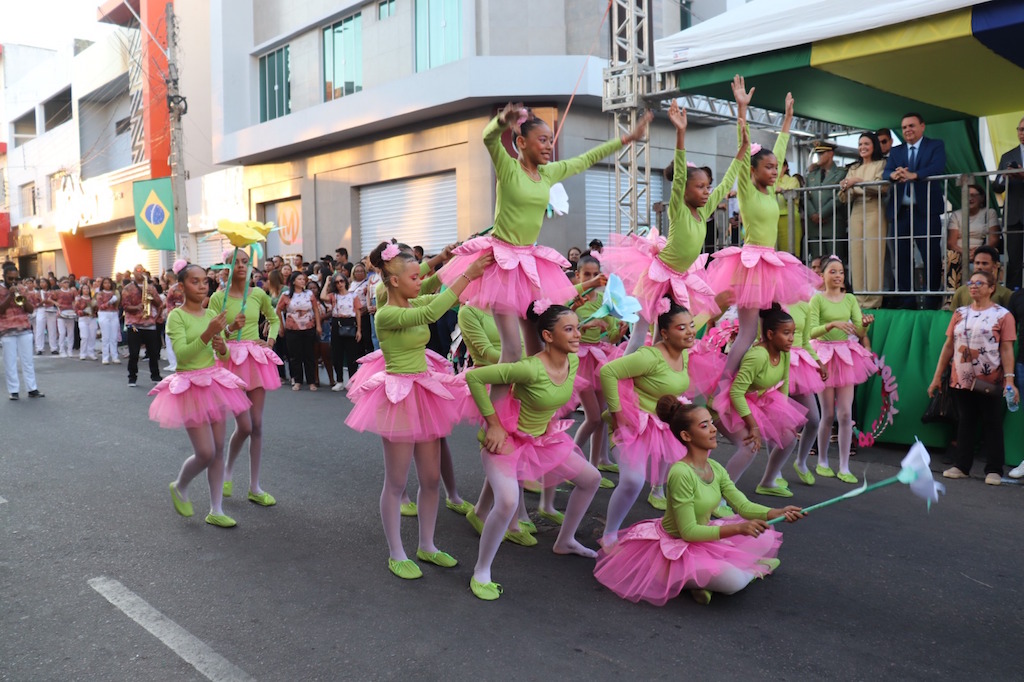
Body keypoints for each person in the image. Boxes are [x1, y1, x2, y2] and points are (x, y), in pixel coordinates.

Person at [438, 102, 651, 373]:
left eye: (551, 140)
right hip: (501, 263)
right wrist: (502, 120)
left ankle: (531, 407)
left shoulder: (548, 173)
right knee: (512, 351)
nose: (549, 145)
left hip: (529, 263)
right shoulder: (508, 168)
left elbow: (585, 159)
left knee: (536, 346)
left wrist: (626, 139)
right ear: (521, 142)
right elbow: (488, 137)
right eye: (542, 140)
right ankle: (496, 412)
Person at [345, 241, 490, 581]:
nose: (420, 281)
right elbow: (431, 312)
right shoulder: (387, 313)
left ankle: (428, 545)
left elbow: (442, 297)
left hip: (423, 390)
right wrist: (466, 273)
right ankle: (397, 552)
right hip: (398, 394)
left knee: (429, 479)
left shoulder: (412, 299)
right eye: (413, 276)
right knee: (396, 482)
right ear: (394, 281)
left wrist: (464, 262)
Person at [594, 400, 803, 606]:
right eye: (704, 426)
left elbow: (743, 506)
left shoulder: (715, 467)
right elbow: (688, 533)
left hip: (704, 537)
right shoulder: (680, 473)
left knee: (765, 532)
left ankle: (704, 581)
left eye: (712, 423)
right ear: (686, 436)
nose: (713, 430)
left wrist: (777, 511)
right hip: (675, 549)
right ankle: (754, 570)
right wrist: (739, 528)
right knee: (734, 581)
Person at [464, 301, 602, 600]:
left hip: (542, 441)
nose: (578, 335)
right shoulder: (529, 368)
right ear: (548, 336)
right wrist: (494, 425)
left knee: (591, 479)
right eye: (570, 329)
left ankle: (565, 541)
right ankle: (481, 569)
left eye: (578, 327)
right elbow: (474, 378)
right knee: (508, 502)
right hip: (508, 442)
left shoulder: (573, 361)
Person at [599, 99, 744, 355]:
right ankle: (623, 374)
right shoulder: (678, 210)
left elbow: (725, 184)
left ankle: (657, 376)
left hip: (680, 278)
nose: (706, 191)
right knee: (641, 330)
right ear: (684, 189)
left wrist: (741, 153)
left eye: (707, 187)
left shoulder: (704, 211)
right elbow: (679, 176)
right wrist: (680, 132)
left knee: (665, 332)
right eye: (700, 187)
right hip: (658, 276)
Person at [706, 76, 821, 380]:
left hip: (771, 263)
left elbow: (780, 151)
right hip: (751, 263)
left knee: (767, 328)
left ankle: (760, 378)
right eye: (768, 168)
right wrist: (741, 112)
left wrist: (787, 120)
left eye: (776, 168)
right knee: (746, 332)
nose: (774, 172)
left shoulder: (771, 191)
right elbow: (743, 147)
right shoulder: (746, 188)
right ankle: (725, 384)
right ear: (753, 170)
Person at [155, 262, 251, 528]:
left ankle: (216, 509)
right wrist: (210, 334)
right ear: (181, 285)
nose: (201, 286)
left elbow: (222, 355)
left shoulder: (211, 313)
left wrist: (222, 344)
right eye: (194, 281)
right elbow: (183, 356)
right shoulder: (177, 316)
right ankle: (180, 485)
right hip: (189, 386)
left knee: (218, 449)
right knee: (206, 452)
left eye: (204, 282)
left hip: (213, 382)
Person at [599, 300, 694, 544]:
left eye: (691, 325)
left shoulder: (684, 353)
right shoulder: (649, 356)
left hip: (663, 426)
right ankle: (609, 535)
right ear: (664, 333)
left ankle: (682, 531)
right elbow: (608, 372)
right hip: (635, 425)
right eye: (681, 328)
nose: (690, 331)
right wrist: (619, 415)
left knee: (689, 476)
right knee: (632, 480)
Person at [209, 249, 284, 508]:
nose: (241, 266)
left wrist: (270, 341)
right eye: (235, 262)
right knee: (245, 426)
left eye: (245, 262)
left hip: (255, 358)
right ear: (226, 267)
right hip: (229, 359)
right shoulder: (218, 298)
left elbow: (273, 319)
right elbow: (212, 337)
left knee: (258, 425)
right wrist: (231, 328)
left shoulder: (259, 294)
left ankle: (255, 486)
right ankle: (229, 470)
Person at [929, 270, 1016, 485]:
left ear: (991, 288)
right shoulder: (959, 313)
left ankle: (994, 469)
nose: (974, 286)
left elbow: (1006, 349)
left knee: (992, 421)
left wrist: (1009, 379)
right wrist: (937, 376)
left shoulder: (1003, 315)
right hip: (962, 376)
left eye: (980, 283)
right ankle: (961, 465)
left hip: (991, 378)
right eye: (971, 282)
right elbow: (948, 346)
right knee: (965, 420)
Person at [712, 304, 808, 497]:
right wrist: (754, 427)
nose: (791, 338)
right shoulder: (757, 356)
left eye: (793, 333)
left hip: (756, 400)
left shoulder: (784, 352)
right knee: (749, 446)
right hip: (729, 404)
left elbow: (784, 384)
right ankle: (719, 497)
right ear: (770, 334)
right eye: (786, 333)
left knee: (789, 438)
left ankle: (768, 482)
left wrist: (783, 419)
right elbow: (736, 393)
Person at [810, 257, 876, 483]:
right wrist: (831, 325)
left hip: (846, 356)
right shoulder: (817, 300)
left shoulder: (849, 299)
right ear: (823, 276)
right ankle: (822, 461)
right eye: (833, 271)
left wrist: (865, 324)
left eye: (841, 272)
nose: (838, 275)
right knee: (827, 414)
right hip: (824, 356)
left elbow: (858, 331)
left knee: (846, 413)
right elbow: (810, 332)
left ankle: (845, 466)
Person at [883, 113, 947, 308]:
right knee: (901, 257)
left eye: (911, 126)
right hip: (901, 212)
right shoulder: (896, 151)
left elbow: (938, 167)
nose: (907, 130)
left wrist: (914, 175)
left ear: (922, 126)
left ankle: (932, 300)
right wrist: (894, 174)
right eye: (904, 127)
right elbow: (886, 172)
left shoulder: (935, 145)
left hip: (925, 210)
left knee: (931, 256)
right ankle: (906, 300)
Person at [839, 131, 888, 310]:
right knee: (856, 255)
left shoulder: (881, 163)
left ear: (874, 145)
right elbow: (844, 196)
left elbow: (881, 187)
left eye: (866, 144)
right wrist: (848, 186)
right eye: (860, 145)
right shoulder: (853, 168)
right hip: (857, 210)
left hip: (874, 209)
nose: (862, 148)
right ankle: (859, 300)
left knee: (873, 255)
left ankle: (874, 301)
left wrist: (857, 182)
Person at [785, 296, 828, 486]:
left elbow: (804, 342)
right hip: (776, 364)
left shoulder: (803, 305)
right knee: (781, 424)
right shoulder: (770, 304)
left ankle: (801, 461)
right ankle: (774, 470)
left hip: (800, 366)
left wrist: (818, 362)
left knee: (814, 419)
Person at [1, 265, 44, 400]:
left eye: (16, 278)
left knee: (28, 361)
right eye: (10, 278)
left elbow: (30, 309)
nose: (13, 281)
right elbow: (0, 310)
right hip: (7, 330)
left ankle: (32, 389)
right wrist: (10, 295)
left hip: (24, 328)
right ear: (4, 277)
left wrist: (22, 298)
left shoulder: (22, 288)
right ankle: (14, 391)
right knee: (10, 361)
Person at [946, 185, 1000, 292]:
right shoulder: (956, 215)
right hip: (960, 251)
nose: (970, 198)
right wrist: (966, 253)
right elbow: (951, 243)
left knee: (992, 254)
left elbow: (994, 239)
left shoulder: (989, 213)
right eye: (966, 195)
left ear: (982, 198)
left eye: (973, 195)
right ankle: (951, 297)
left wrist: (978, 253)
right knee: (951, 256)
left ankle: (991, 293)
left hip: (983, 250)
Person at [991, 117, 1024, 290]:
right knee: (1014, 262)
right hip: (1013, 217)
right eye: (1020, 129)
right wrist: (1004, 176)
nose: (1022, 133)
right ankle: (1015, 299)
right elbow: (996, 187)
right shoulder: (1008, 156)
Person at [276, 272, 322, 391]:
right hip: (292, 328)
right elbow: (278, 310)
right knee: (295, 356)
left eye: (303, 279)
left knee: (309, 355)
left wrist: (318, 325)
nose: (302, 281)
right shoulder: (286, 295)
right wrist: (282, 326)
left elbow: (316, 309)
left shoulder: (309, 294)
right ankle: (297, 380)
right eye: (299, 279)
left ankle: (311, 381)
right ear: (293, 281)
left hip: (308, 327)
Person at [804, 141, 848, 261]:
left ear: (831, 154)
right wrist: (813, 214)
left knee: (835, 262)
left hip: (832, 224)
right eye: (818, 154)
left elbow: (840, 195)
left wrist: (822, 214)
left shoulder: (841, 173)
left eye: (822, 153)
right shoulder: (812, 174)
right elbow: (805, 195)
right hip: (814, 227)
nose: (819, 156)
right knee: (817, 263)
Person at [122, 266, 164, 387]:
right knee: (134, 353)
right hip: (134, 324)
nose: (140, 274)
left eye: (142, 272)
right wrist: (137, 307)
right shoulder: (127, 288)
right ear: (133, 273)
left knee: (153, 353)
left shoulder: (150, 287)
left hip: (149, 324)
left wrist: (155, 317)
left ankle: (155, 375)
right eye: (137, 271)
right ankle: (132, 377)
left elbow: (159, 304)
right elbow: (125, 306)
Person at [321, 273, 362, 391]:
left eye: (341, 281)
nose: (340, 284)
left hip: (350, 322)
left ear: (345, 282)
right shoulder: (334, 296)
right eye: (337, 282)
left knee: (352, 354)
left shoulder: (353, 295)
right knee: (337, 354)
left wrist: (359, 330)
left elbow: (358, 312)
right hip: (337, 322)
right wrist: (327, 281)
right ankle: (339, 380)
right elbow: (323, 296)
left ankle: (352, 380)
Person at [948, 246, 1011, 310]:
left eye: (984, 263)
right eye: (977, 263)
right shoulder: (961, 292)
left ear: (995, 266)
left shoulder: (1005, 294)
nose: (979, 267)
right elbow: (953, 317)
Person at [776, 159, 803, 257]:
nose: (775, 169)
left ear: (785, 167)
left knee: (789, 254)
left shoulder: (792, 180)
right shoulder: (770, 181)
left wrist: (781, 191)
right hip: (773, 219)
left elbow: (791, 196)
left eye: (778, 166)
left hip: (789, 218)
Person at [95, 278, 120, 365]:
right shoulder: (100, 294)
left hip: (113, 314)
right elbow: (100, 306)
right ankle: (105, 357)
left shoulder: (115, 293)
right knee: (106, 336)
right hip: (104, 314)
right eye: (105, 283)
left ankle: (115, 356)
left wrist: (116, 301)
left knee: (114, 336)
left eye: (109, 283)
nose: (107, 285)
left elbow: (118, 304)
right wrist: (110, 302)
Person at [74, 281, 98, 360]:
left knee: (92, 336)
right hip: (83, 319)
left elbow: (96, 310)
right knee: (84, 336)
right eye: (84, 288)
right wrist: (83, 311)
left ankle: (91, 352)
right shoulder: (79, 299)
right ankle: (83, 353)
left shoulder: (92, 300)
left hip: (92, 318)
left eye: (87, 288)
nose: (86, 290)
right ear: (81, 290)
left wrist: (95, 308)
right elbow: (76, 310)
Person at [54, 278, 77, 358]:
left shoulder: (72, 292)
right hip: (61, 314)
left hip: (70, 313)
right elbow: (49, 299)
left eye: (67, 282)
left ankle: (70, 350)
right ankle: (62, 350)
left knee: (70, 333)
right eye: (64, 282)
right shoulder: (57, 292)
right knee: (62, 333)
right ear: (60, 284)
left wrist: (75, 307)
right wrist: (56, 303)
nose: (66, 284)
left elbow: (75, 300)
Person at [34, 279, 58, 355]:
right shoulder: (38, 293)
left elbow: (56, 299)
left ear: (47, 284)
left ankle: (53, 348)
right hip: (41, 310)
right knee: (39, 329)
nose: (42, 284)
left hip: (51, 310)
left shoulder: (52, 292)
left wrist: (49, 300)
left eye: (43, 282)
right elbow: (36, 304)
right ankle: (39, 348)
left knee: (52, 329)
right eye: (40, 282)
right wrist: (43, 302)